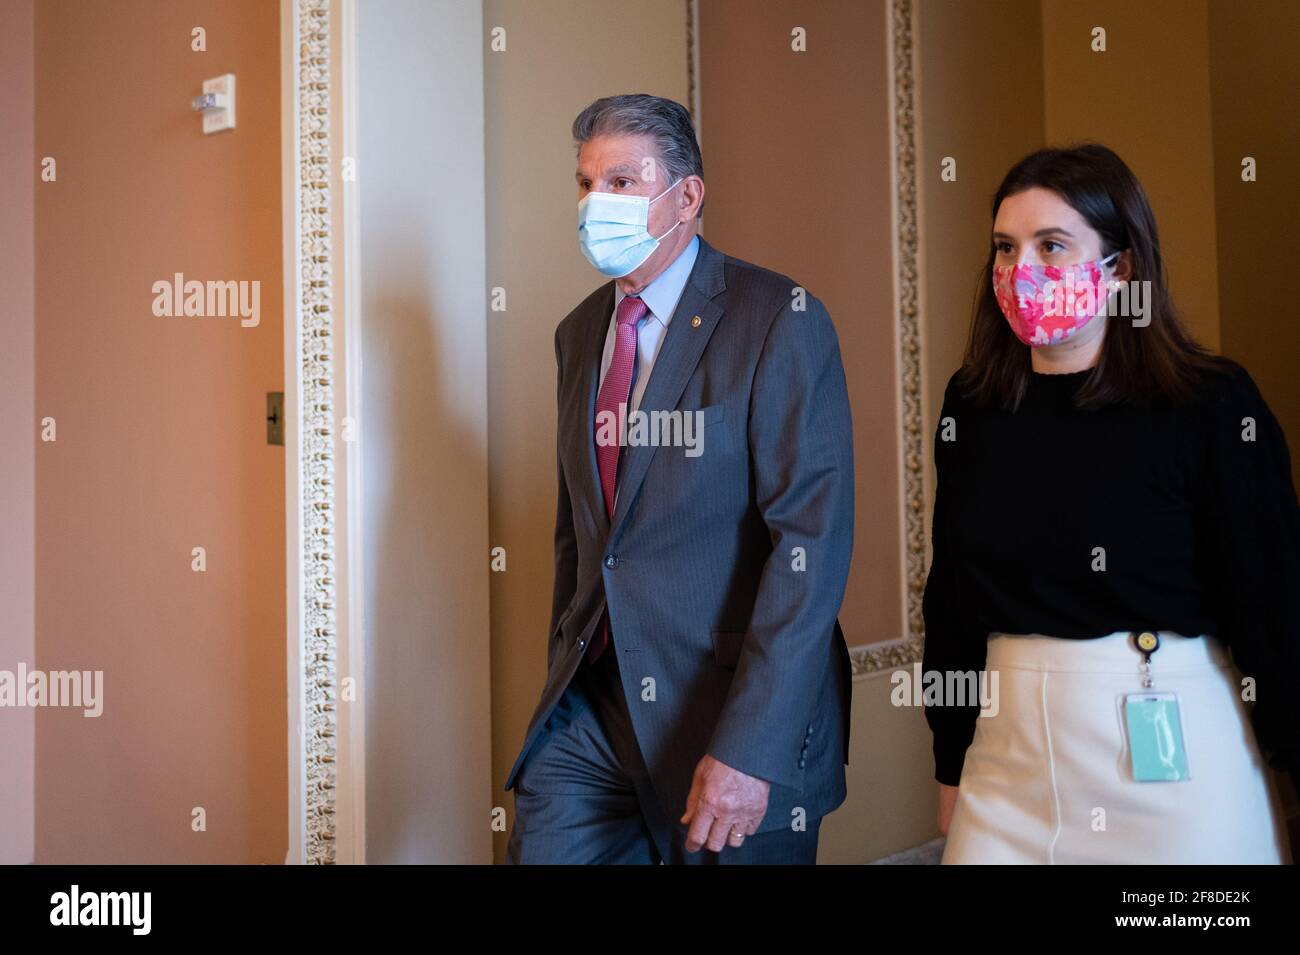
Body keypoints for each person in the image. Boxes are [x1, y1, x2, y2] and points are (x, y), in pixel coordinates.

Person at [503, 93, 855, 864]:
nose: (598, 203)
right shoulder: (579, 333)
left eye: (623, 182)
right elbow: (582, 534)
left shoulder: (778, 317)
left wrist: (752, 748)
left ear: (686, 196)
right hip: (591, 709)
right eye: (587, 182)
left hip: (727, 709)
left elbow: (810, 547)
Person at [923, 143, 1298, 864]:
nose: (1020, 267)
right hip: (1007, 767)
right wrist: (950, 759)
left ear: (1120, 266)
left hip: (1175, 762)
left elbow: (1273, 600)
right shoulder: (973, 405)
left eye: (1052, 245)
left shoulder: (1209, 403)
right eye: (1006, 246)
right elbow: (953, 599)